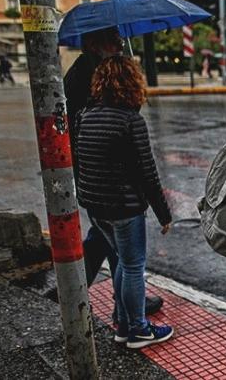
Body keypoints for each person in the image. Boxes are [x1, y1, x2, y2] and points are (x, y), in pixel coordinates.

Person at [63, 27, 163, 317]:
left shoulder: (98, 69)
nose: (120, 43)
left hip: (97, 181)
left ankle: (78, 293)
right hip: (107, 180)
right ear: (94, 44)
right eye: (113, 39)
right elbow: (102, 130)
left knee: (105, 239)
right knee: (126, 256)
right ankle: (131, 314)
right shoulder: (87, 75)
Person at [75, 56, 174, 349]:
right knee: (132, 266)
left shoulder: (85, 114)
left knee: (121, 260)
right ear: (132, 83)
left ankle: (122, 323)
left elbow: (82, 160)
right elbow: (147, 172)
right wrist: (163, 213)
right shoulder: (131, 120)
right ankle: (139, 330)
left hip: (95, 206)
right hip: (124, 207)